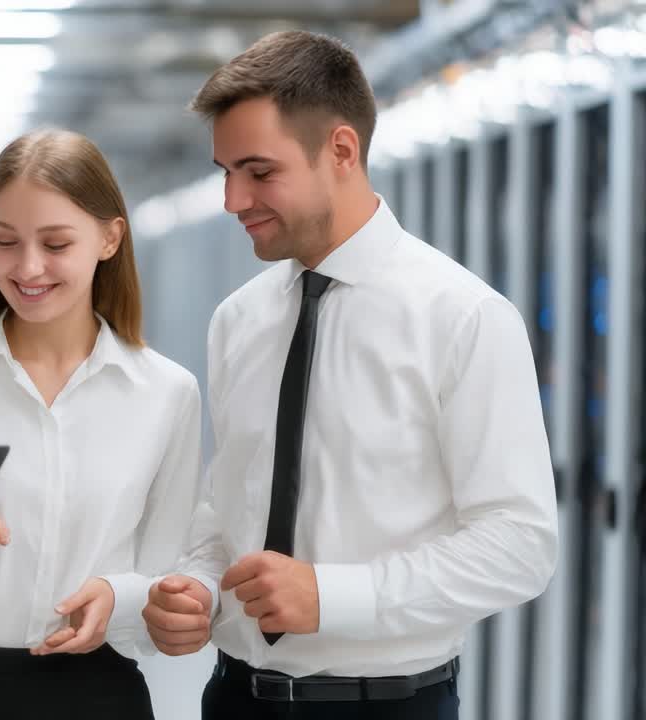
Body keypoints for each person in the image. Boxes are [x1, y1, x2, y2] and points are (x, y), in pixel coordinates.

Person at [140, 30, 558, 720]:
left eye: (258, 171)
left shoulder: (463, 317)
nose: (232, 200)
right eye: (225, 172)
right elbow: (231, 506)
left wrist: (333, 596)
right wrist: (197, 587)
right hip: (235, 698)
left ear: (340, 150)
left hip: (388, 706)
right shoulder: (237, 321)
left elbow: (519, 544)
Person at [0, 128, 203, 720]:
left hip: (100, 696)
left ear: (109, 237)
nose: (27, 268)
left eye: (55, 243)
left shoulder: (166, 394)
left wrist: (119, 599)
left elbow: (166, 576)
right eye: (5, 242)